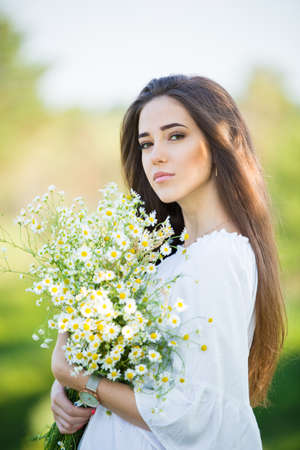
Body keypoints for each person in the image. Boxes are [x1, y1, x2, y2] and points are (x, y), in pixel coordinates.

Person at [50, 74, 287, 449]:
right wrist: (71, 390)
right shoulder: (166, 262)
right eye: (146, 143)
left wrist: (82, 379)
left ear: (223, 139)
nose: (156, 154)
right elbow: (141, 377)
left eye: (175, 135)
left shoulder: (218, 257)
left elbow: (196, 416)